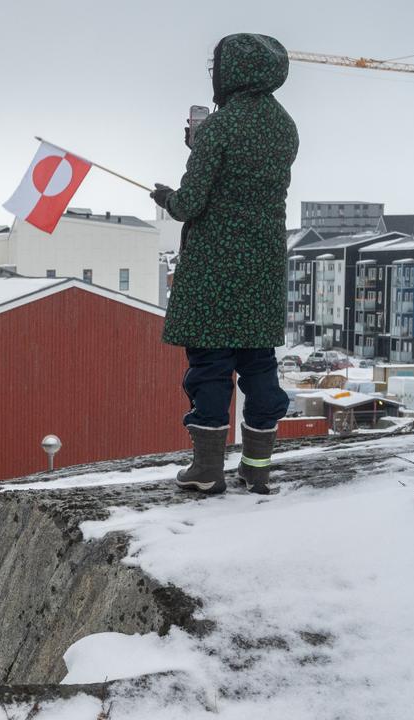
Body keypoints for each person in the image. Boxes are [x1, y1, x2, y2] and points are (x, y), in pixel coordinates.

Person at [150, 33, 296, 496]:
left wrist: (166, 195)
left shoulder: (220, 126)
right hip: (264, 260)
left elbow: (190, 204)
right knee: (258, 363)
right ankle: (257, 467)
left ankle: (208, 471)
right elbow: (248, 181)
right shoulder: (284, 126)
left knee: (211, 366)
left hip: (215, 264)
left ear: (231, 70)